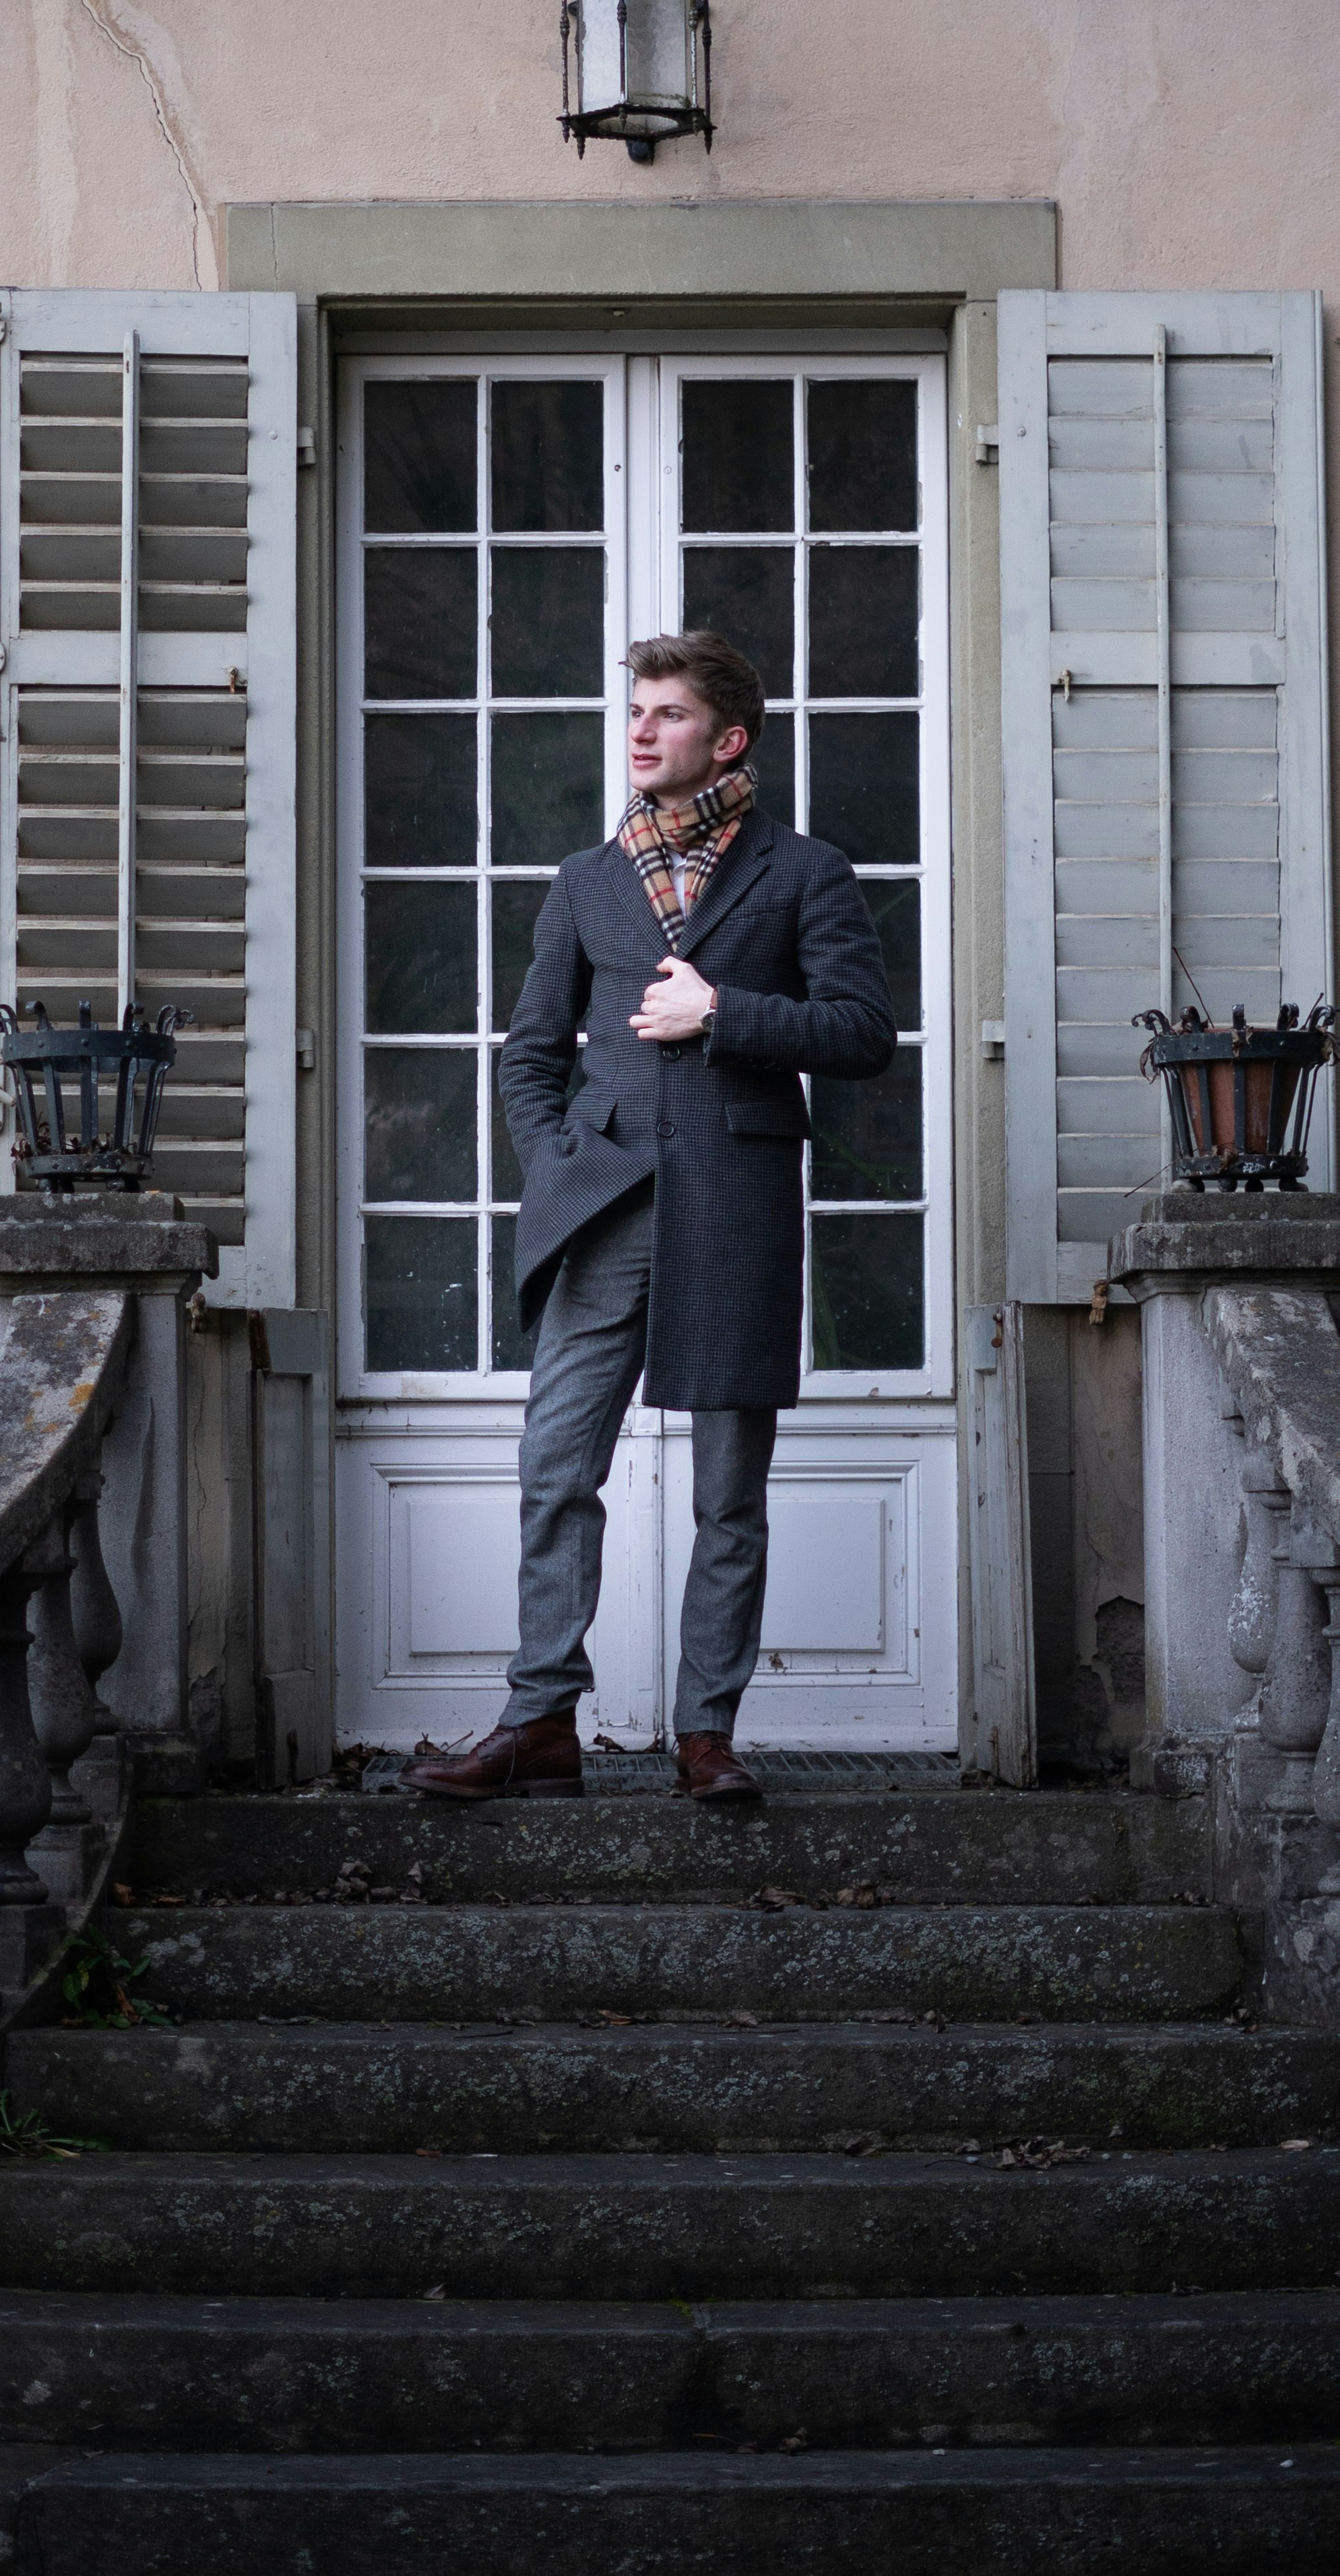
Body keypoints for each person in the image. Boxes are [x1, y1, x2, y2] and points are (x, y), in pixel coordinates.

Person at [406, 631, 897, 1809]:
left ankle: (706, 1736)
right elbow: (529, 1057)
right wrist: (561, 1160)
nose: (639, 730)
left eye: (666, 714)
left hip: (736, 1203)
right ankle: (539, 1721)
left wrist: (726, 1012)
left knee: (730, 1491)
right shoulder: (587, 881)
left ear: (727, 739)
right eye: (634, 710)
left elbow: (861, 1034)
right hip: (607, 1205)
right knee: (554, 1464)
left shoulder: (803, 872)